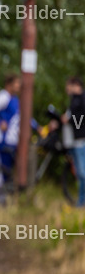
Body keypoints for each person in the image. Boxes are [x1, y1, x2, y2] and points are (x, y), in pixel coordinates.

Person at [62, 76, 85, 207]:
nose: (67, 89)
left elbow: (80, 120)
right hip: (75, 141)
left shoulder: (81, 99)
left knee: (82, 173)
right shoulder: (75, 100)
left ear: (75, 85)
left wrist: (69, 120)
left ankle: (82, 202)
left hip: (81, 140)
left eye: (68, 86)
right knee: (79, 173)